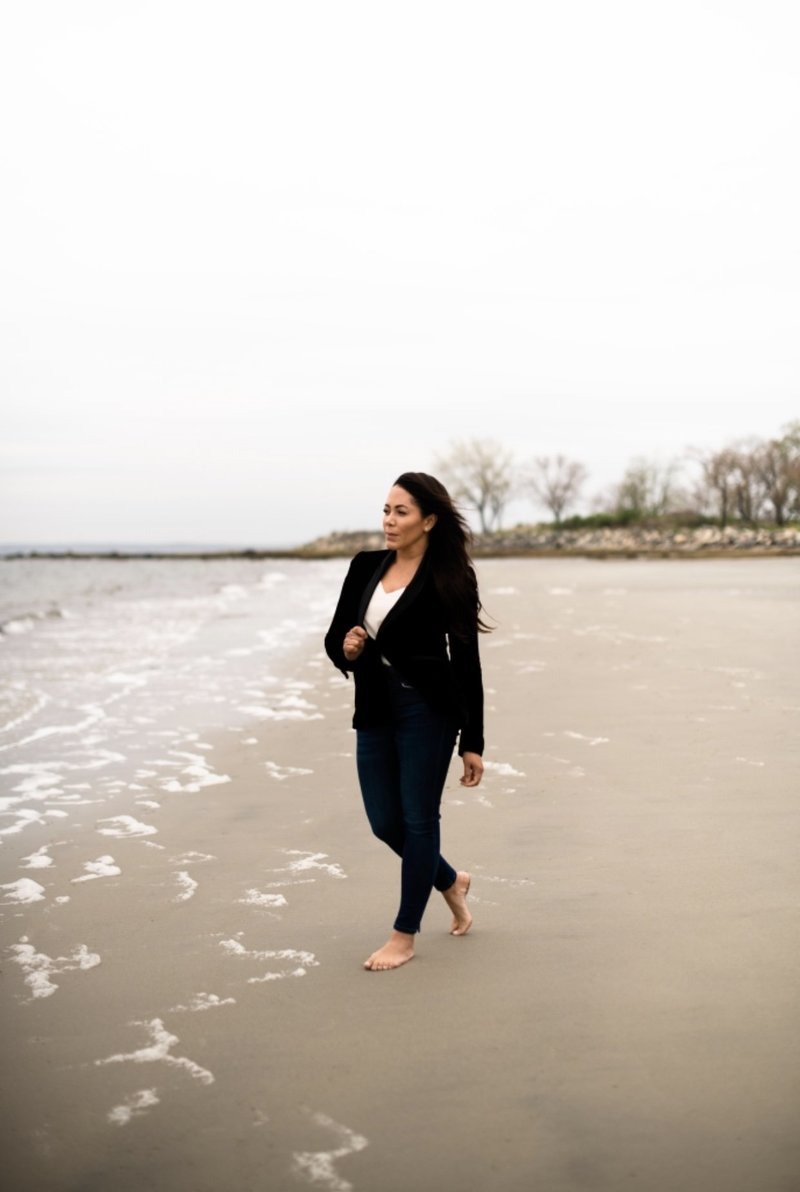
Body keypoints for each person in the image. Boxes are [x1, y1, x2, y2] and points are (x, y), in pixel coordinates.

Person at [324, 471, 490, 971]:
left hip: (428, 710)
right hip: (374, 706)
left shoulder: (450, 577)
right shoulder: (365, 567)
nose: (389, 521)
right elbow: (337, 638)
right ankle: (449, 880)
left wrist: (473, 740)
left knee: (419, 819)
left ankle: (404, 934)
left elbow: (467, 663)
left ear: (429, 521)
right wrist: (348, 650)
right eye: (386, 510)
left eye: (401, 513)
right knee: (385, 823)